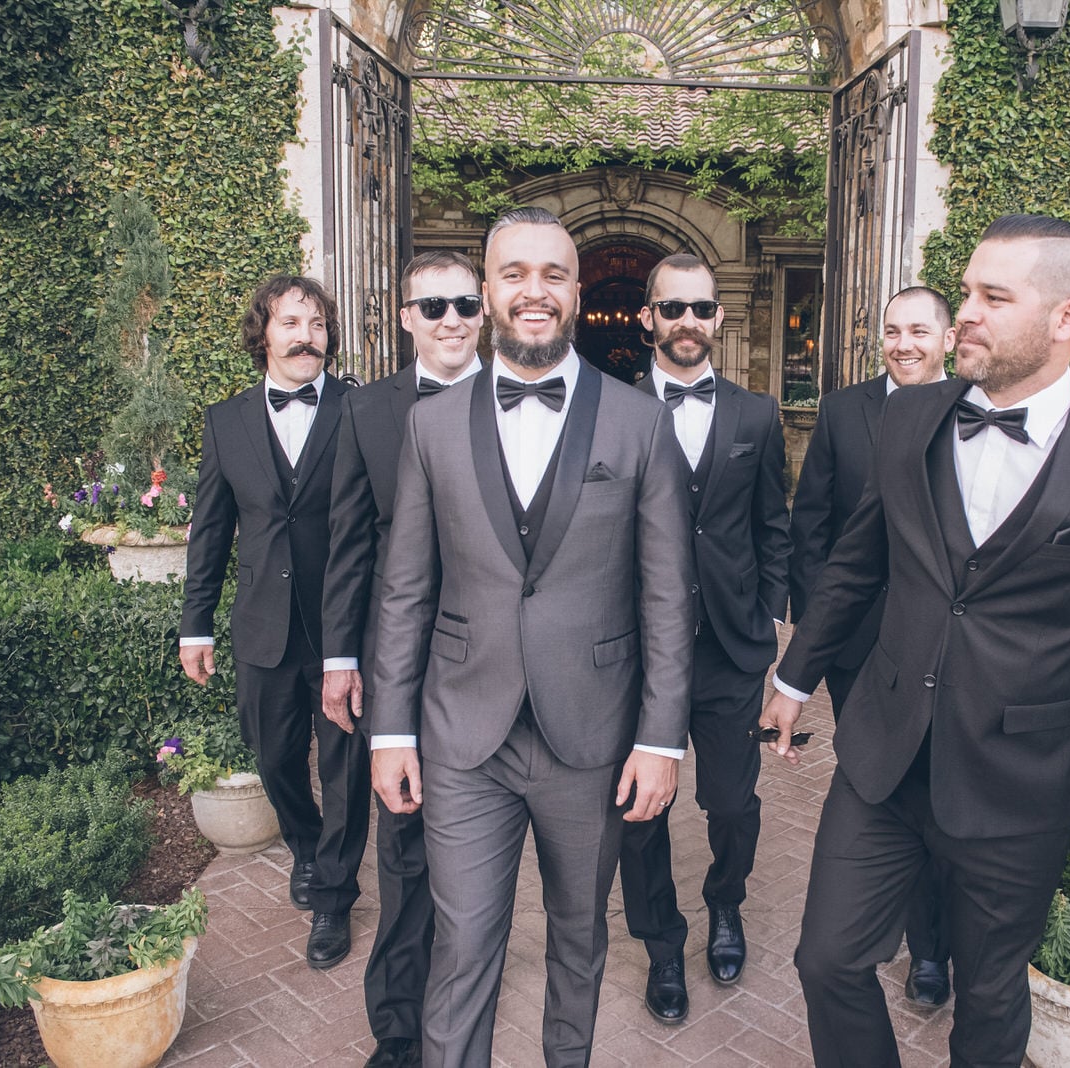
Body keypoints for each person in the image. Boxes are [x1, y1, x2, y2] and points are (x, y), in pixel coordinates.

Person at [762, 214, 1070, 1068]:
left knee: (992, 1003)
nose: (965, 313)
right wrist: (793, 676)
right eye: (966, 291)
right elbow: (856, 563)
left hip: (1016, 784)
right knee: (827, 961)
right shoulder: (910, 419)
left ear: (1065, 317)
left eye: (992, 298)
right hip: (883, 756)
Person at [364, 207, 695, 1068]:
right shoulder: (430, 426)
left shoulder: (639, 425)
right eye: (514, 274)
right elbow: (405, 589)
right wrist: (391, 732)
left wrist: (661, 739)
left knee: (580, 943)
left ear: (578, 293)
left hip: (592, 736)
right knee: (462, 946)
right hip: (461, 735)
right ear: (487, 291)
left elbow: (666, 598)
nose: (534, 291)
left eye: (553, 274)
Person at [322, 251, 487, 1067]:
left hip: (512, 663)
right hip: (411, 661)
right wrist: (341, 657)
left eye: (463, 303)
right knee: (406, 841)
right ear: (404, 316)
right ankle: (399, 1028)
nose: (450, 319)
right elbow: (349, 544)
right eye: (433, 306)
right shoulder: (369, 411)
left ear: (483, 310)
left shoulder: (531, 392)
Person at [618, 254, 791, 1024]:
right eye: (672, 307)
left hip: (729, 646)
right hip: (635, 653)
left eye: (702, 307)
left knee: (731, 803)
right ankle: (661, 945)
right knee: (637, 811)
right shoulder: (609, 412)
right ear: (647, 318)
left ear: (718, 318)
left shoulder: (756, 417)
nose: (688, 320)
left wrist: (772, 613)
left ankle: (726, 903)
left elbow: (772, 527)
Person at [179, 275, 365, 970]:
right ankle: (309, 847)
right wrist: (195, 624)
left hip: (343, 625)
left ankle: (334, 895)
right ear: (264, 334)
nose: (306, 335)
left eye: (317, 324)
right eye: (291, 322)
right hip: (262, 623)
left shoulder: (359, 408)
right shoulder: (225, 422)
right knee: (276, 756)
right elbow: (211, 532)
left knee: (346, 765)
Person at [787, 285, 957, 1010]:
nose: (904, 344)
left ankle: (930, 949)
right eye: (892, 331)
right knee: (873, 791)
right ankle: (863, 931)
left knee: (935, 799)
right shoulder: (841, 411)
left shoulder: (974, 416)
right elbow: (812, 529)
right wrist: (816, 643)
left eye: (919, 330)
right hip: (858, 650)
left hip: (944, 655)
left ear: (948, 339)